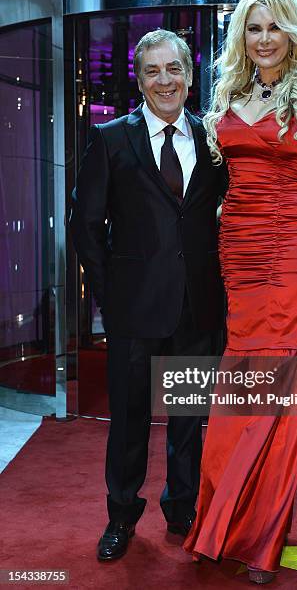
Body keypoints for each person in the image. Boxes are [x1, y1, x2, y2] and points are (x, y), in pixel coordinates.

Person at [183, 0, 297, 585]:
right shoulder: (228, 92)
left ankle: (259, 537)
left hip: (295, 245)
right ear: (242, 37)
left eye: (274, 28)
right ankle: (224, 523)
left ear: (293, 32)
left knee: (276, 386)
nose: (263, 40)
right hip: (240, 251)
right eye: (253, 29)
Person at [70, 29, 228, 561]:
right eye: (153, 71)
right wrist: (111, 299)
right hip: (134, 309)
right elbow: (85, 225)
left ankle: (181, 507)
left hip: (197, 307)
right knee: (130, 419)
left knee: (188, 419)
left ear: (189, 76)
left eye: (174, 69)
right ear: (139, 80)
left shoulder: (211, 141)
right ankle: (120, 514)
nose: (165, 80)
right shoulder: (111, 138)